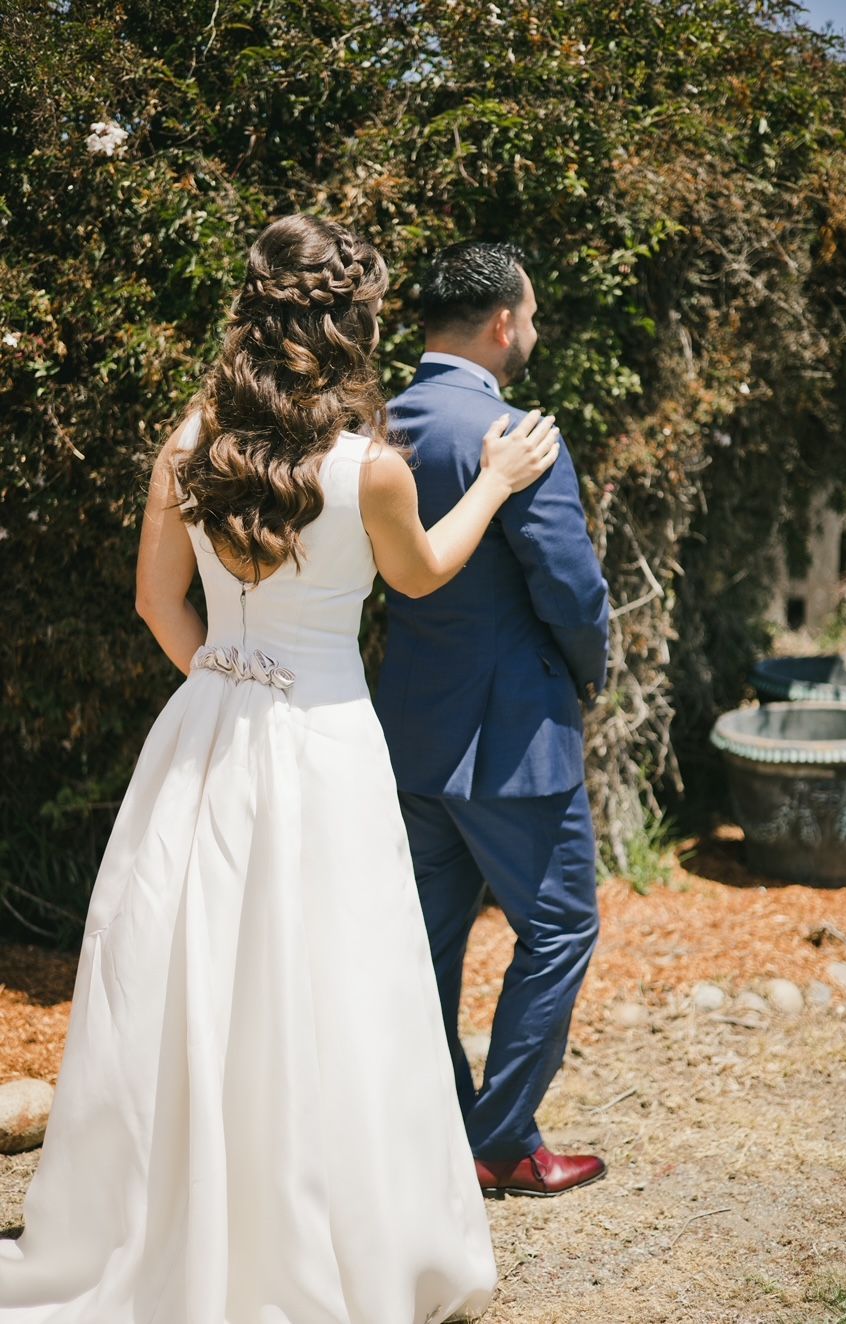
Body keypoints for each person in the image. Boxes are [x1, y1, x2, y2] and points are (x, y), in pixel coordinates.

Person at [0, 215, 562, 1323]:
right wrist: (495, 479)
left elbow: (156, 601)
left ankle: (170, 1221)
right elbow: (424, 577)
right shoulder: (373, 471)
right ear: (351, 324)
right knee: (329, 985)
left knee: (192, 979)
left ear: (256, 313)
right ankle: (324, 1239)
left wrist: (222, 674)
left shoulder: (189, 438)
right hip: (323, 739)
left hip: (205, 727)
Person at [375, 241, 610, 1199]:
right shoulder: (515, 437)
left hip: (412, 733)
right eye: (535, 313)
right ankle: (500, 1138)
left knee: (427, 942)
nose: (536, 330)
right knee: (560, 926)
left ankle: (436, 1131)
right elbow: (571, 586)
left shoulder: (372, 429)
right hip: (516, 739)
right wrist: (587, 679)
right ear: (504, 322)